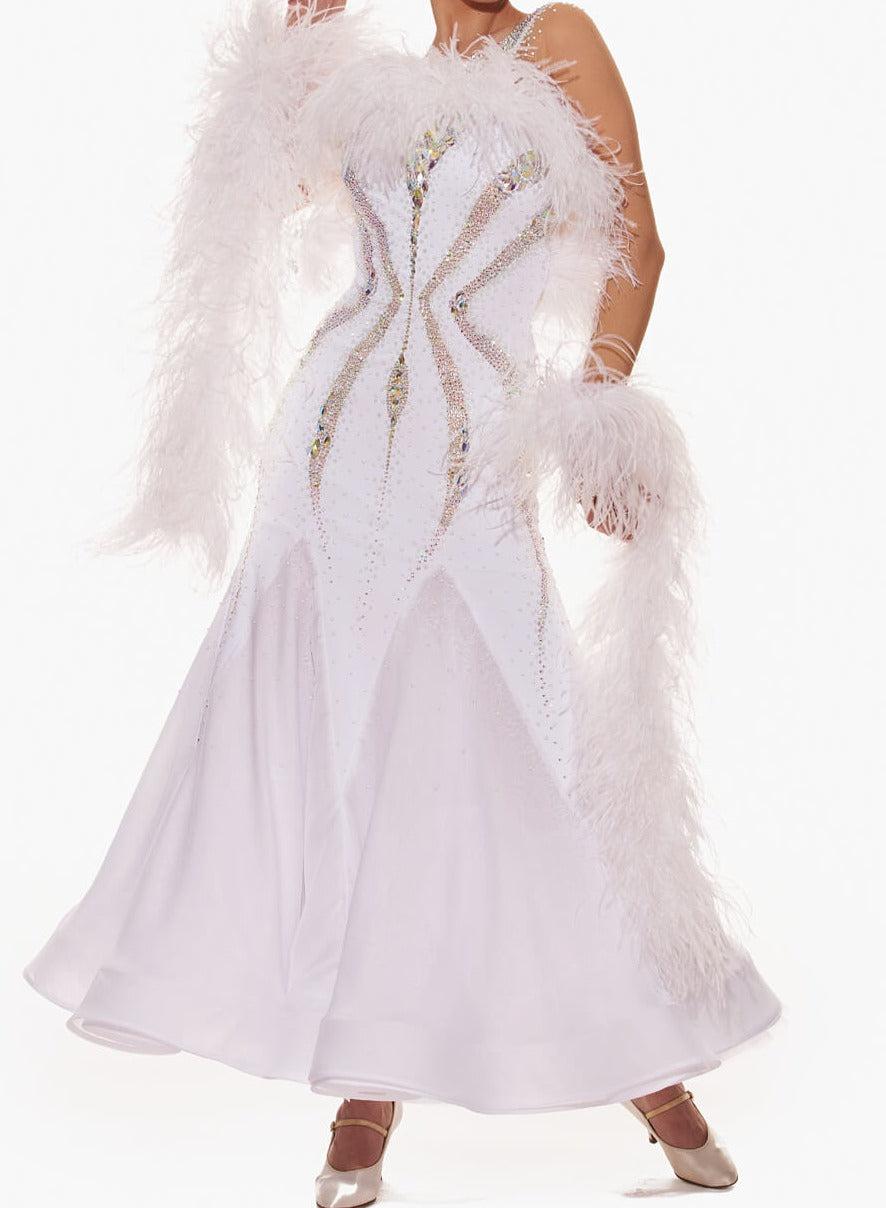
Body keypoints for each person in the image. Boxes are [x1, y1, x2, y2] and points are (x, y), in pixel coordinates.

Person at [24, 3, 781, 1204]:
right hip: (323, 449)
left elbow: (638, 240)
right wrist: (283, 54)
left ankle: (649, 1064)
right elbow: (255, 197)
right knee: (332, 736)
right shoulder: (373, 87)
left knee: (541, 735)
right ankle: (364, 1088)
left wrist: (597, 412)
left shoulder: (558, 41)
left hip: (476, 448)